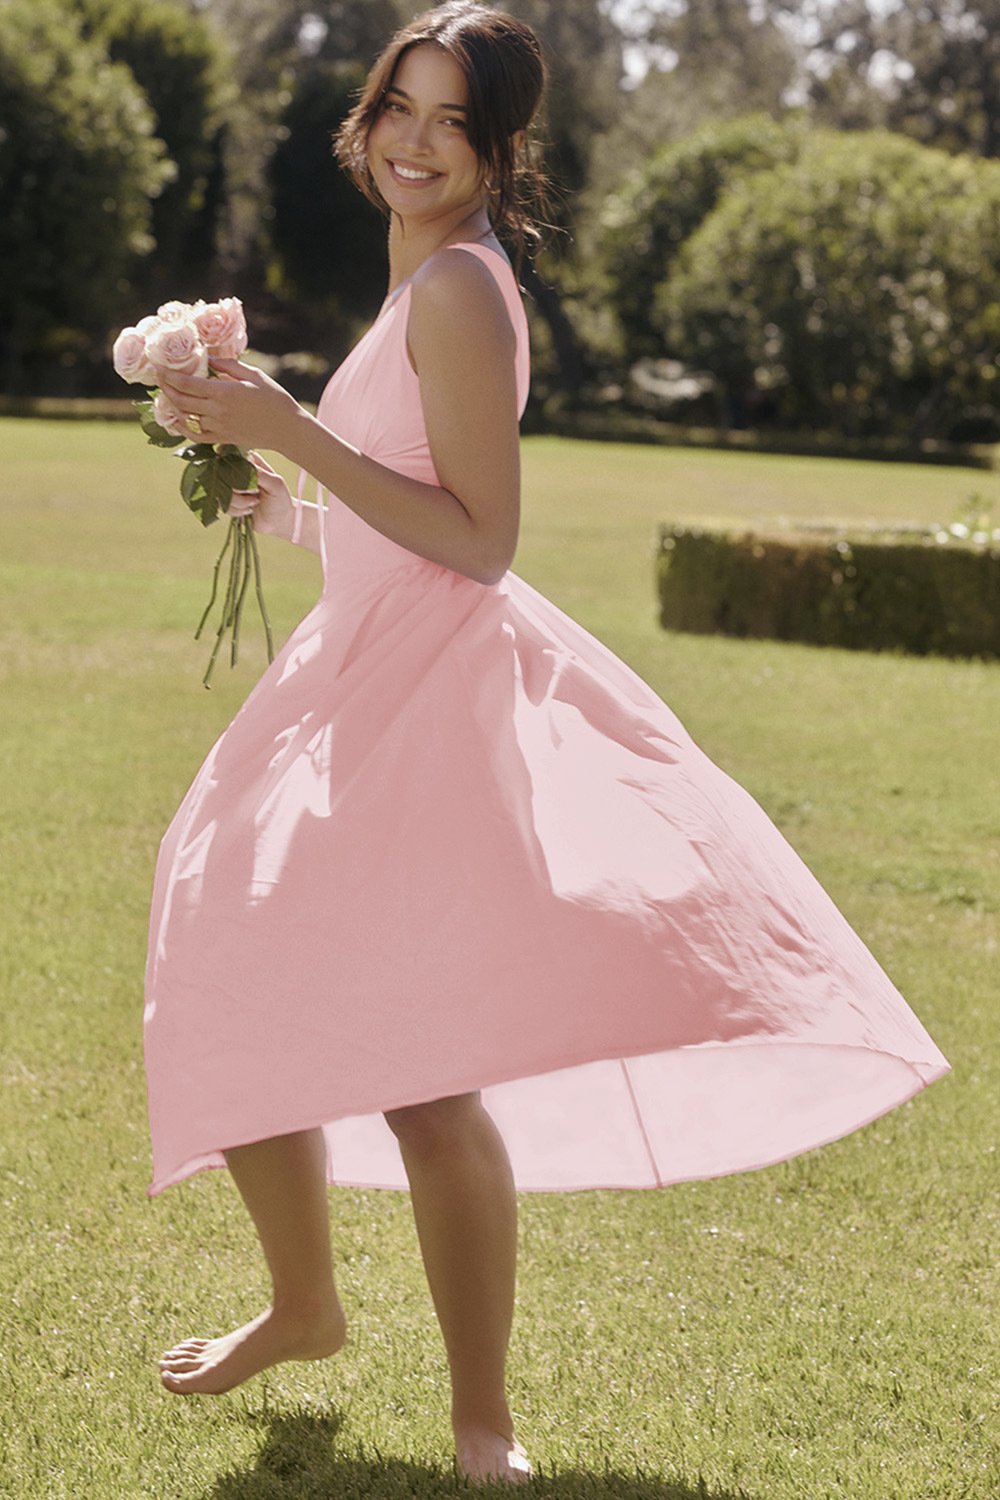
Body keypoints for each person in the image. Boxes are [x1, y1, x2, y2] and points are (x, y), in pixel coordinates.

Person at [147, 0, 950, 1486]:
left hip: (425, 702)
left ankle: (482, 1421)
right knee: (231, 952)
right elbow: (408, 506)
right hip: (365, 668)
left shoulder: (459, 285)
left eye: (455, 122)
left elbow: (483, 541)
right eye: (401, 106)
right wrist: (289, 504)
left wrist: (289, 428)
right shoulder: (418, 271)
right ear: (368, 117)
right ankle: (305, 1304)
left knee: (422, 1067)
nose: (418, 142)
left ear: (500, 149)